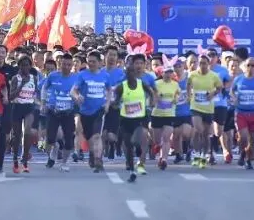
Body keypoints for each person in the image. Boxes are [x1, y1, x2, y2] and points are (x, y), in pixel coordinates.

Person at [112, 54, 156, 182]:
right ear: (126, 74)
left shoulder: (142, 84)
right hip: (125, 120)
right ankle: (132, 171)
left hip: (139, 119)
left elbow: (151, 92)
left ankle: (139, 150)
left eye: (133, 72)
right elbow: (115, 101)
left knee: (136, 141)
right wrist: (114, 104)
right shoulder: (121, 86)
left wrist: (152, 101)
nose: (131, 74)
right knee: (128, 144)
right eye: (129, 72)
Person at [72, 50, 111, 173]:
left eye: (94, 61)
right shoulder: (82, 75)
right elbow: (73, 90)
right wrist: (77, 96)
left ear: (100, 63)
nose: (91, 64)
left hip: (99, 110)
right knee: (89, 138)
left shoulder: (105, 76)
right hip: (85, 112)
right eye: (89, 61)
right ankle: (92, 155)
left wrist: (107, 103)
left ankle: (98, 160)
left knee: (97, 136)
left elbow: (109, 90)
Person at [43, 52, 80, 172]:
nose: (66, 67)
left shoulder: (76, 78)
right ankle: (53, 152)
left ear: (72, 65)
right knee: (50, 139)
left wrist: (78, 98)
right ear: (60, 64)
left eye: (69, 65)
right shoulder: (53, 76)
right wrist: (43, 102)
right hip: (53, 111)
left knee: (69, 141)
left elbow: (80, 91)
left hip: (68, 113)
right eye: (64, 64)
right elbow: (44, 88)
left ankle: (64, 162)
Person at [231, 57, 254, 170]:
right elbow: (232, 91)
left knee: (252, 140)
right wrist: (234, 98)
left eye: (253, 65)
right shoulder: (239, 79)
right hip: (241, 113)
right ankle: (243, 154)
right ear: (245, 66)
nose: (250, 68)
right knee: (243, 137)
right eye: (248, 65)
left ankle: (246, 157)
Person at [187, 55, 221, 167]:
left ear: (208, 64)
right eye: (200, 63)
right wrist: (189, 95)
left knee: (206, 134)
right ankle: (196, 154)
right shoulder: (192, 74)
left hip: (208, 108)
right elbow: (188, 85)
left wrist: (213, 93)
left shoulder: (214, 76)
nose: (202, 65)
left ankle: (203, 156)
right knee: (198, 129)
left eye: (204, 63)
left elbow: (219, 87)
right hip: (195, 107)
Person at [7, 54, 39, 173]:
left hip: (29, 107)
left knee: (27, 132)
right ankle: (15, 159)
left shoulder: (34, 78)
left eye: (27, 65)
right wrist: (21, 86)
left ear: (30, 66)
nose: (25, 67)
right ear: (19, 66)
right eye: (22, 65)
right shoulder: (16, 78)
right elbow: (11, 96)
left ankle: (25, 159)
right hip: (17, 107)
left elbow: (35, 92)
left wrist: (38, 102)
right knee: (17, 135)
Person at [150, 62, 180, 170]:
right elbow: (151, 95)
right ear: (162, 73)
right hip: (157, 114)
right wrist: (156, 97)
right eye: (166, 72)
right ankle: (158, 147)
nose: (168, 74)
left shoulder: (175, 84)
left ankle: (164, 159)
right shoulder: (156, 84)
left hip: (169, 114)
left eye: (170, 72)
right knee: (157, 140)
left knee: (166, 138)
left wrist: (175, 99)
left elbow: (177, 95)